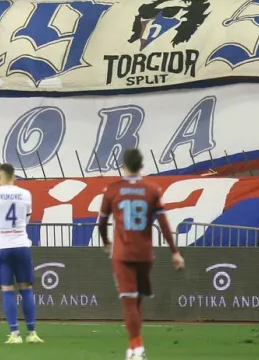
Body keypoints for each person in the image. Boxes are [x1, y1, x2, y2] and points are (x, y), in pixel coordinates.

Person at [96, 148, 185, 360]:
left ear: (123, 165)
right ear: (141, 166)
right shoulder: (152, 189)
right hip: (145, 254)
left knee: (128, 302)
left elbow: (101, 222)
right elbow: (163, 223)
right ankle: (133, 346)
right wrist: (175, 252)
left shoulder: (113, 190)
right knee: (136, 303)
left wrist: (106, 241)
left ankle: (137, 349)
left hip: (123, 254)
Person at [0, 162, 42, 344]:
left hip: (2, 245)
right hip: (21, 243)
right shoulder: (25, 194)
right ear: (15, 177)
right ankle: (32, 333)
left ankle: (15, 334)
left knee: (7, 289)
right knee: (26, 288)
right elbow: (27, 218)